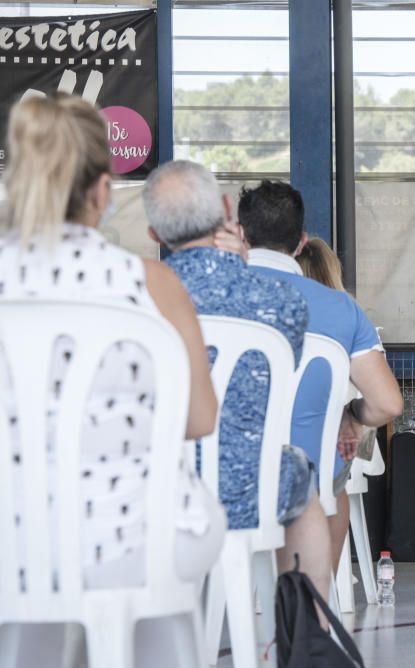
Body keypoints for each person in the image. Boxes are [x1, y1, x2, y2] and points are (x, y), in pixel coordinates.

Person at [0, 94, 225, 665]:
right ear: (103, 191)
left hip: (13, 545)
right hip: (134, 545)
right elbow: (200, 420)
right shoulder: (150, 283)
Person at [142, 161, 334, 608]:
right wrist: (240, 270)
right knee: (302, 475)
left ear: (154, 234)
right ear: (228, 211)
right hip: (252, 492)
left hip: (158, 493)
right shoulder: (281, 301)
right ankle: (309, 636)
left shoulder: (140, 296)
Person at [238, 180, 403, 579]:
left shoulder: (208, 299)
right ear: (301, 242)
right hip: (307, 485)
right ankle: (317, 593)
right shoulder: (339, 308)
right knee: (333, 479)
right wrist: (350, 415)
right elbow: (388, 405)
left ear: (242, 236)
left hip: (225, 483)